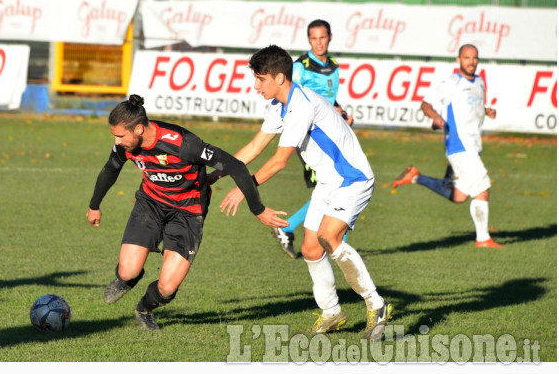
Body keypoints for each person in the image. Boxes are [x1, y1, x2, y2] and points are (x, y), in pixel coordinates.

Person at [210, 45, 392, 341]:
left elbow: (279, 161)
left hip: (352, 179)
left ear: (280, 78)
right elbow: (256, 146)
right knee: (310, 249)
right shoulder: (278, 105)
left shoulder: (301, 105)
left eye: (261, 79)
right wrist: (215, 175)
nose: (256, 86)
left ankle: (376, 305)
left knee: (329, 237)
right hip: (328, 182)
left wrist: (243, 189)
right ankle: (333, 313)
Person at [85, 94, 288, 331]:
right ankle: (127, 279)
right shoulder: (126, 146)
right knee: (127, 270)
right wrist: (94, 205)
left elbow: (235, 165)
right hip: (150, 204)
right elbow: (110, 170)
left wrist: (258, 209)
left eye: (120, 135)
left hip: (188, 213)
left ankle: (144, 309)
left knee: (167, 287)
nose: (117, 141)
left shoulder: (184, 144)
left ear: (139, 128)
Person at [392, 44, 503, 248]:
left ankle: (416, 176)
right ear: (458, 60)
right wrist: (437, 118)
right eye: (467, 57)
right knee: (482, 188)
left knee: (459, 195)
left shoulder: (479, 82)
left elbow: (472, 107)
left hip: (473, 145)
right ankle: (483, 239)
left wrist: (487, 111)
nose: (471, 61)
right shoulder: (451, 83)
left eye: (474, 58)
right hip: (459, 145)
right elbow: (426, 104)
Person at [270, 19, 354, 259]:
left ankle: (328, 241)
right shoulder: (300, 66)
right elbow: (291, 96)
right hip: (309, 135)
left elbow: (331, 100)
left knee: (335, 188)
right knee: (332, 188)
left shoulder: (334, 66)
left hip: (331, 133)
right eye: (314, 38)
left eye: (322, 37)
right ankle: (333, 244)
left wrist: (343, 114)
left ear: (330, 37)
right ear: (309, 40)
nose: (318, 42)